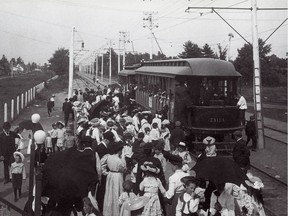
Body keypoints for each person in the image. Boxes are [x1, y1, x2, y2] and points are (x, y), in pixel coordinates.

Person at [103, 142, 126, 216]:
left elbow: (101, 165)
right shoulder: (119, 160)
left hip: (110, 175)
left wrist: (105, 172)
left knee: (110, 194)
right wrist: (123, 158)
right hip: (117, 176)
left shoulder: (109, 157)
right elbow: (124, 168)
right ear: (119, 150)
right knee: (117, 193)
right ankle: (117, 212)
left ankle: (110, 212)